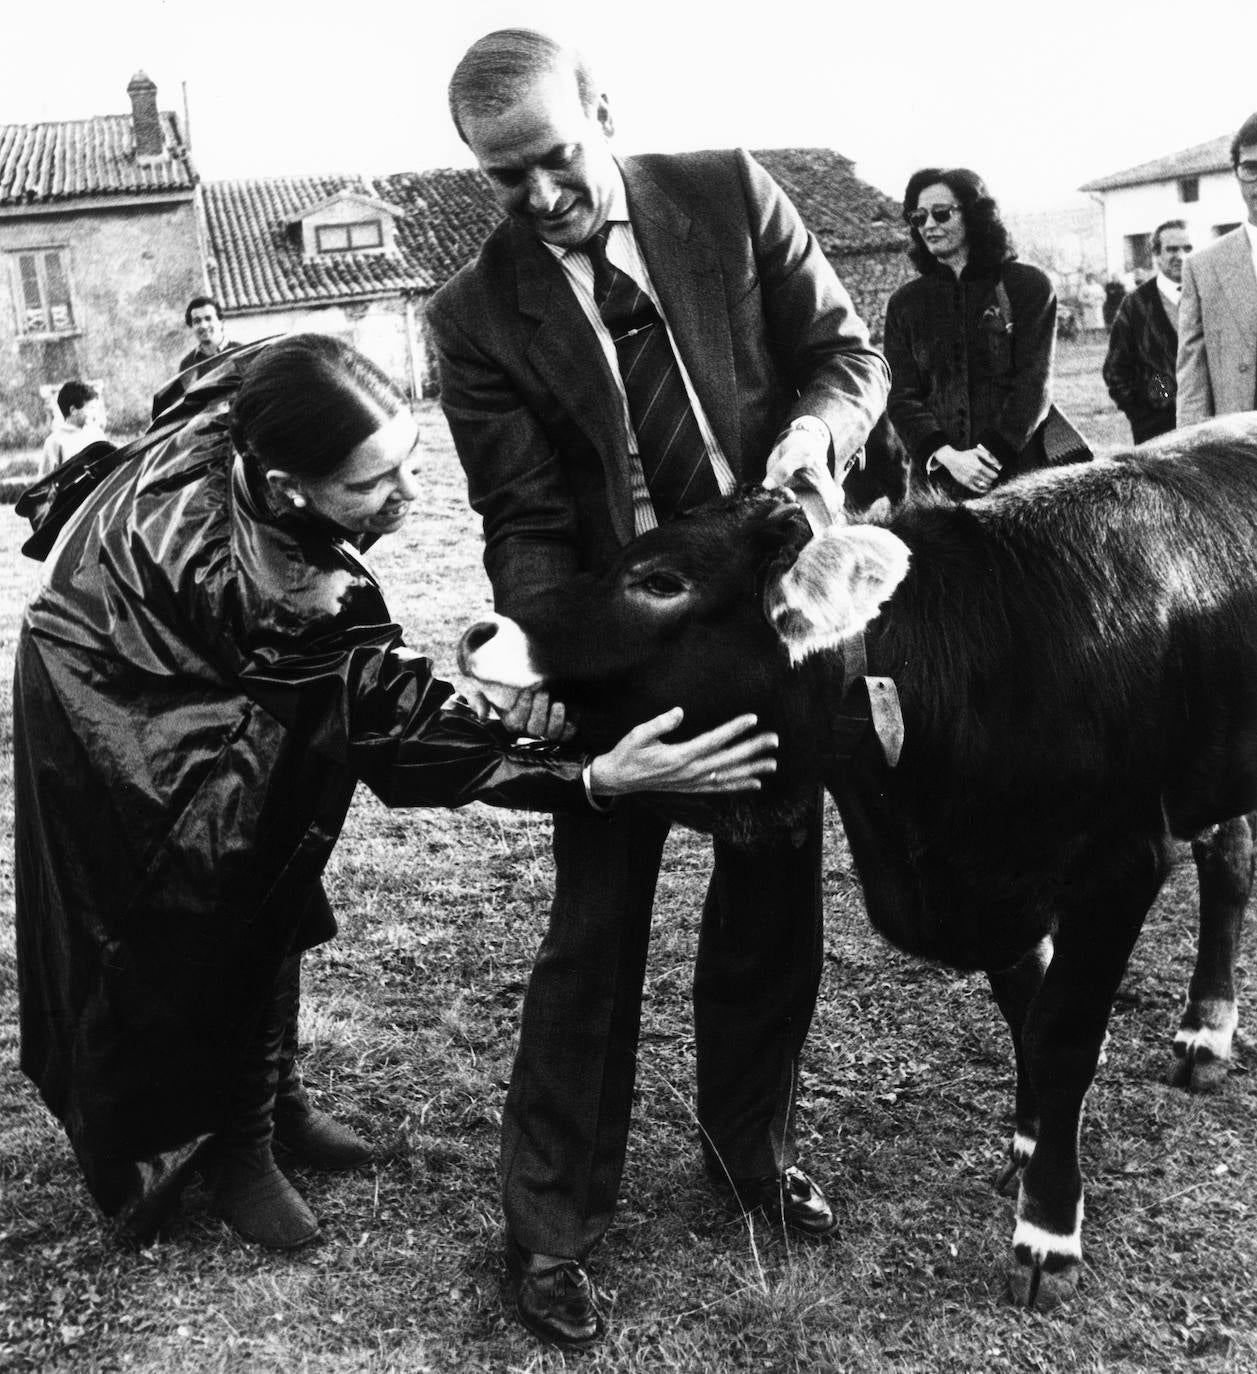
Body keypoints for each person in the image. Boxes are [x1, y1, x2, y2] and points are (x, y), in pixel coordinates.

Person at [14, 334, 775, 1253]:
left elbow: (216, 371)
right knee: (211, 881)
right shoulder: (284, 587)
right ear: (289, 486)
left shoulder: (261, 392)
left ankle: (274, 1096)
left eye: (406, 460)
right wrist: (593, 779)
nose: (409, 496)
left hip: (171, 629)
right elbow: (402, 734)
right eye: (372, 486)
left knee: (274, 840)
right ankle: (234, 1143)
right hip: (117, 693)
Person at [428, 28, 889, 1348]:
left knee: (770, 905)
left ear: (602, 110)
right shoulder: (473, 316)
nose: (539, 200)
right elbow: (520, 523)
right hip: (619, 647)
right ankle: (553, 1224)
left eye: (555, 161)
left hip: (778, 625)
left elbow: (845, 357)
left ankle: (747, 1153)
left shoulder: (729, 193)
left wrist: (813, 431)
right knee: (595, 933)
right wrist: (566, 639)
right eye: (504, 180)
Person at [882, 167, 1056, 500]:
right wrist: (948, 458)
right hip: (935, 488)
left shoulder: (1028, 286)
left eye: (941, 213)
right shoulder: (905, 303)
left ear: (974, 214)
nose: (929, 225)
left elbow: (1034, 384)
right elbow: (901, 395)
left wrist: (988, 459)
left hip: (1019, 480)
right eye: (918, 217)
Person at [1177, 112, 1257, 424]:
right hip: (1243, 453)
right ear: (1236, 175)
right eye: (1251, 168)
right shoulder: (1204, 268)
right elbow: (1191, 380)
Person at [1103, 219, 1192, 442]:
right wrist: (1144, 413)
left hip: (1208, 426)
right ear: (1156, 253)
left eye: (1187, 248)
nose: (1180, 256)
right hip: (1157, 433)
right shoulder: (1136, 305)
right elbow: (1116, 370)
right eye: (1172, 249)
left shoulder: (1208, 297)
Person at [152, 296, 241, 419]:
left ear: (221, 322)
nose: (203, 325)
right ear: (192, 326)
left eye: (208, 318)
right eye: (197, 321)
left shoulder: (240, 352)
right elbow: (185, 406)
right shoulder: (188, 363)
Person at [37, 380, 108, 477]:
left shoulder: (97, 434)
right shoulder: (54, 442)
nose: (94, 414)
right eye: (90, 408)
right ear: (73, 410)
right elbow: (44, 483)